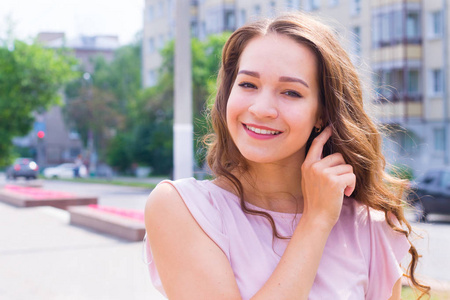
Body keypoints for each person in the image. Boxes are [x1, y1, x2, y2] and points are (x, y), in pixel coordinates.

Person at [144, 12, 429, 299]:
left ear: (322, 113)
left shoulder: (369, 226)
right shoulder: (184, 208)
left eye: (291, 92)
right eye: (248, 85)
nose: (261, 108)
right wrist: (315, 222)